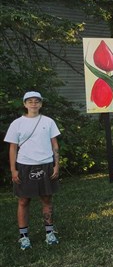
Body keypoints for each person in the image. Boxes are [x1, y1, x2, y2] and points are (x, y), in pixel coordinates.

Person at [5, 91, 61, 250]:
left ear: (41, 104)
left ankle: (50, 233)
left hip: (46, 164)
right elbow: (13, 148)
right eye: (30, 101)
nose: (34, 104)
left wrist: (56, 165)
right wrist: (13, 170)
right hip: (24, 165)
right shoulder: (17, 123)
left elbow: (55, 145)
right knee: (23, 200)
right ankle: (24, 237)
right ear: (25, 104)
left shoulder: (48, 121)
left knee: (46, 199)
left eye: (37, 101)